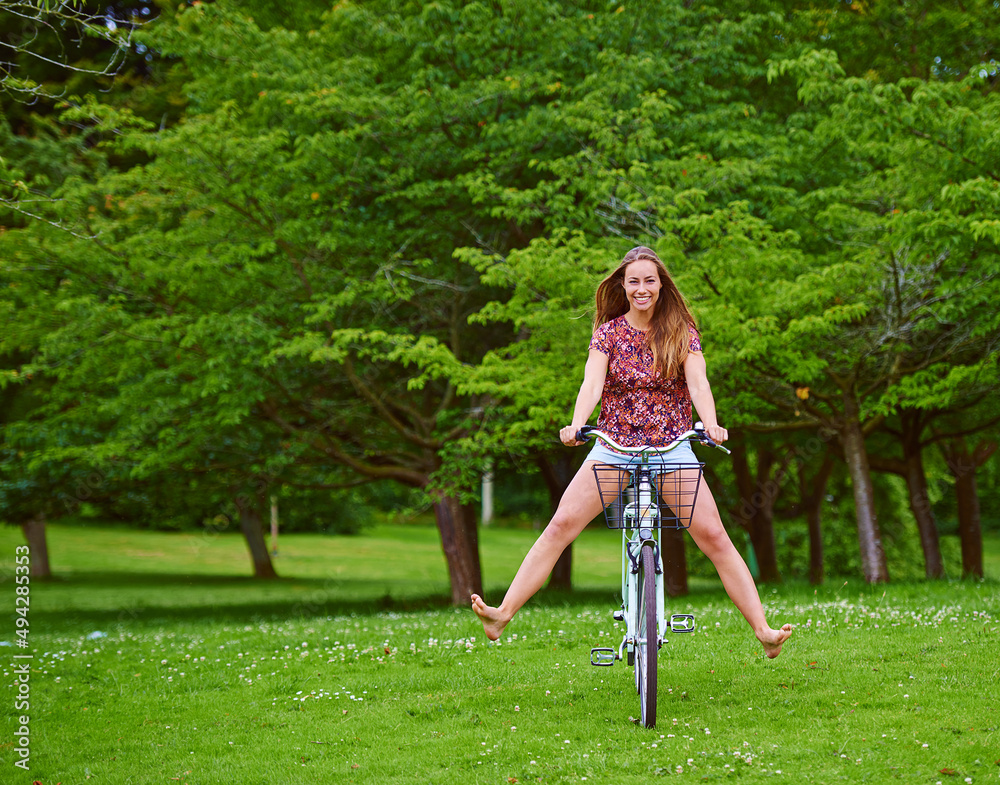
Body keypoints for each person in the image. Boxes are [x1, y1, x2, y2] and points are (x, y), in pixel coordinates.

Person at [471, 246, 792, 658]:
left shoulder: (682, 331)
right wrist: (575, 422)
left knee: (714, 537)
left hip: (673, 445)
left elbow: (699, 385)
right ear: (623, 285)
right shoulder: (607, 333)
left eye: (650, 280)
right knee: (560, 526)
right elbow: (591, 385)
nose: (642, 288)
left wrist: (710, 423)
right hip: (615, 445)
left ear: (661, 285)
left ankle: (763, 631)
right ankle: (502, 615)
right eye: (634, 281)